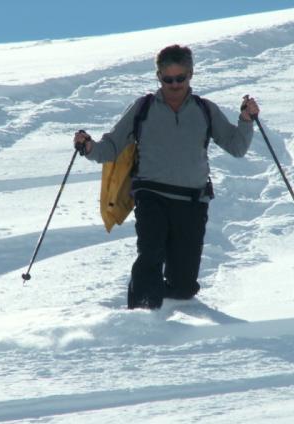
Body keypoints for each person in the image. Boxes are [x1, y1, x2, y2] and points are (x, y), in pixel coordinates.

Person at [74, 44, 259, 310]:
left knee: (183, 287)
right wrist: (89, 147)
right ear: (158, 77)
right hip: (151, 195)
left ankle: (165, 311)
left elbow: (236, 147)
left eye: (180, 78)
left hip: (193, 201)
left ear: (191, 74)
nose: (174, 85)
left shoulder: (205, 110)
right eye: (167, 79)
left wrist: (246, 120)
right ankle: (141, 313)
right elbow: (112, 147)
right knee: (150, 254)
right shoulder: (143, 108)